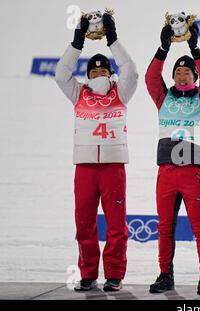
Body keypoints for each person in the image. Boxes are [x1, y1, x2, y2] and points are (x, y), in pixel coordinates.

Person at [55, 14, 138, 292]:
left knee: (116, 225)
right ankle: (88, 274)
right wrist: (77, 42)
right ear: (88, 75)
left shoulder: (121, 91)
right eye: (94, 71)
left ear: (110, 74)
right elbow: (60, 73)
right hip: (85, 169)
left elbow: (131, 70)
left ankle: (114, 274)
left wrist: (112, 39)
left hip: (114, 168)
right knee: (84, 224)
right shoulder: (78, 93)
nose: (99, 74)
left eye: (104, 71)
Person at [145, 22, 200, 295]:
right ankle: (165, 274)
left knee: (199, 226)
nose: (183, 75)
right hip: (166, 171)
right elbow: (151, 78)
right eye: (179, 71)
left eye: (188, 72)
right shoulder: (163, 98)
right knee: (165, 227)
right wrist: (163, 49)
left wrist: (194, 48)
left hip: (191, 172)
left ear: (195, 76)